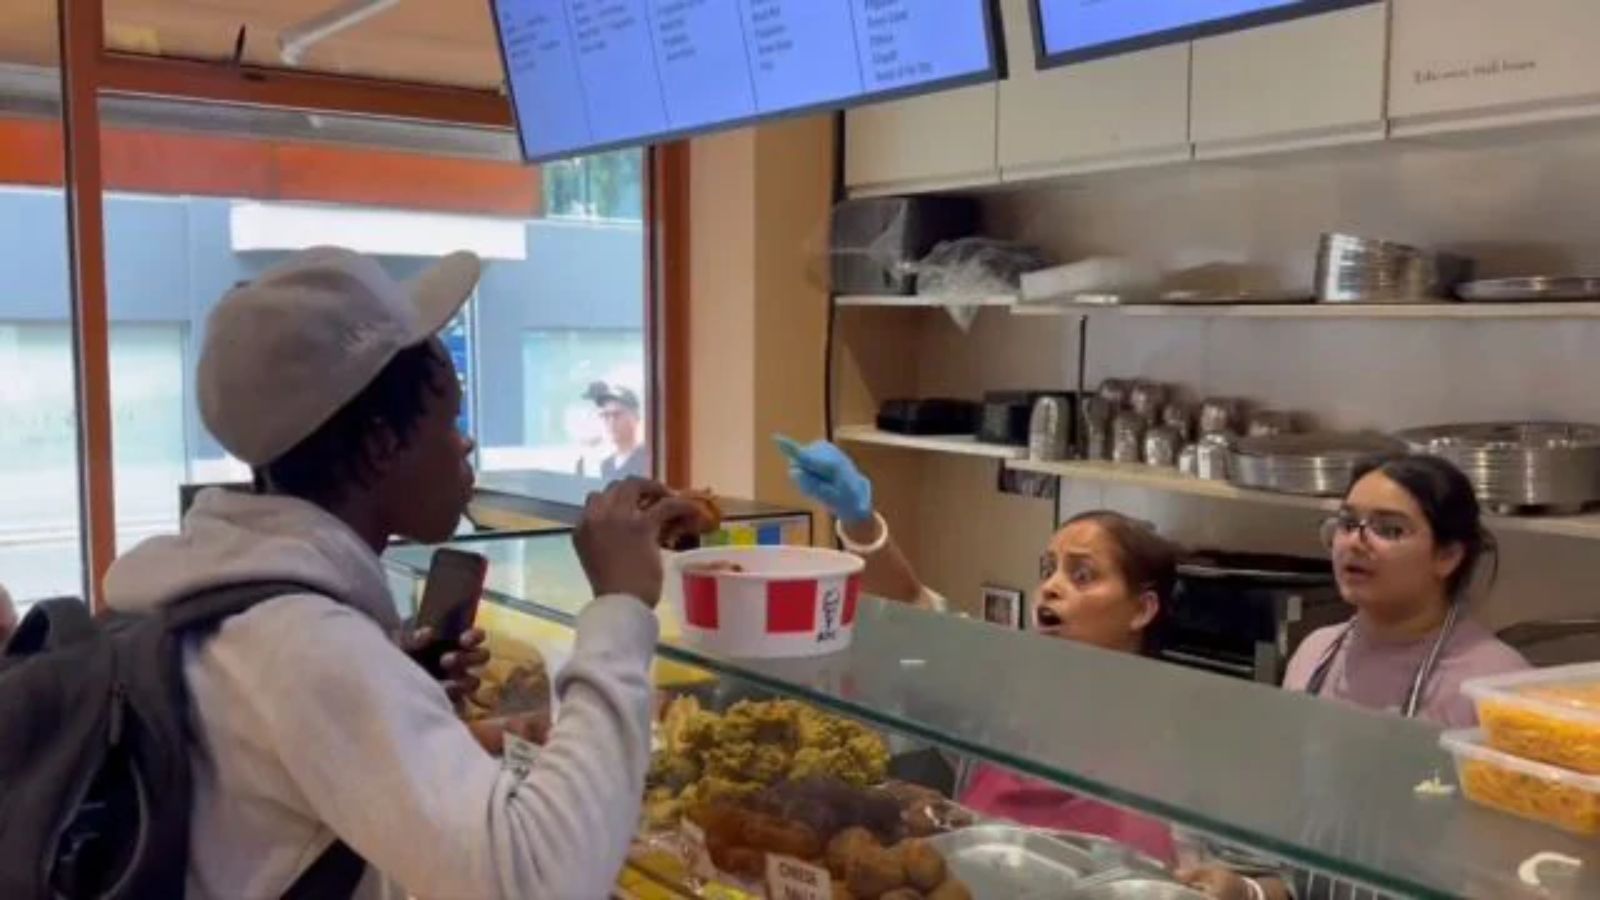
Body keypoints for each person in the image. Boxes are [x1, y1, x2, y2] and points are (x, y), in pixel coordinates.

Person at [103, 246, 707, 899]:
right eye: (449, 418)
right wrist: (619, 605)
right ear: (380, 447)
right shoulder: (303, 644)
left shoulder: (231, 603)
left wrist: (408, 705)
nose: (465, 443)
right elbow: (540, 879)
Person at [1284, 454, 1529, 727]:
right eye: (1348, 523)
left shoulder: (1496, 682)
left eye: (1389, 530)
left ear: (1447, 556)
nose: (1354, 542)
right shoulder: (1314, 651)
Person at [580, 380, 648, 481]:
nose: (611, 422)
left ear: (635, 417)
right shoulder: (606, 465)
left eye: (617, 415)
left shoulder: (649, 459)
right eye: (605, 416)